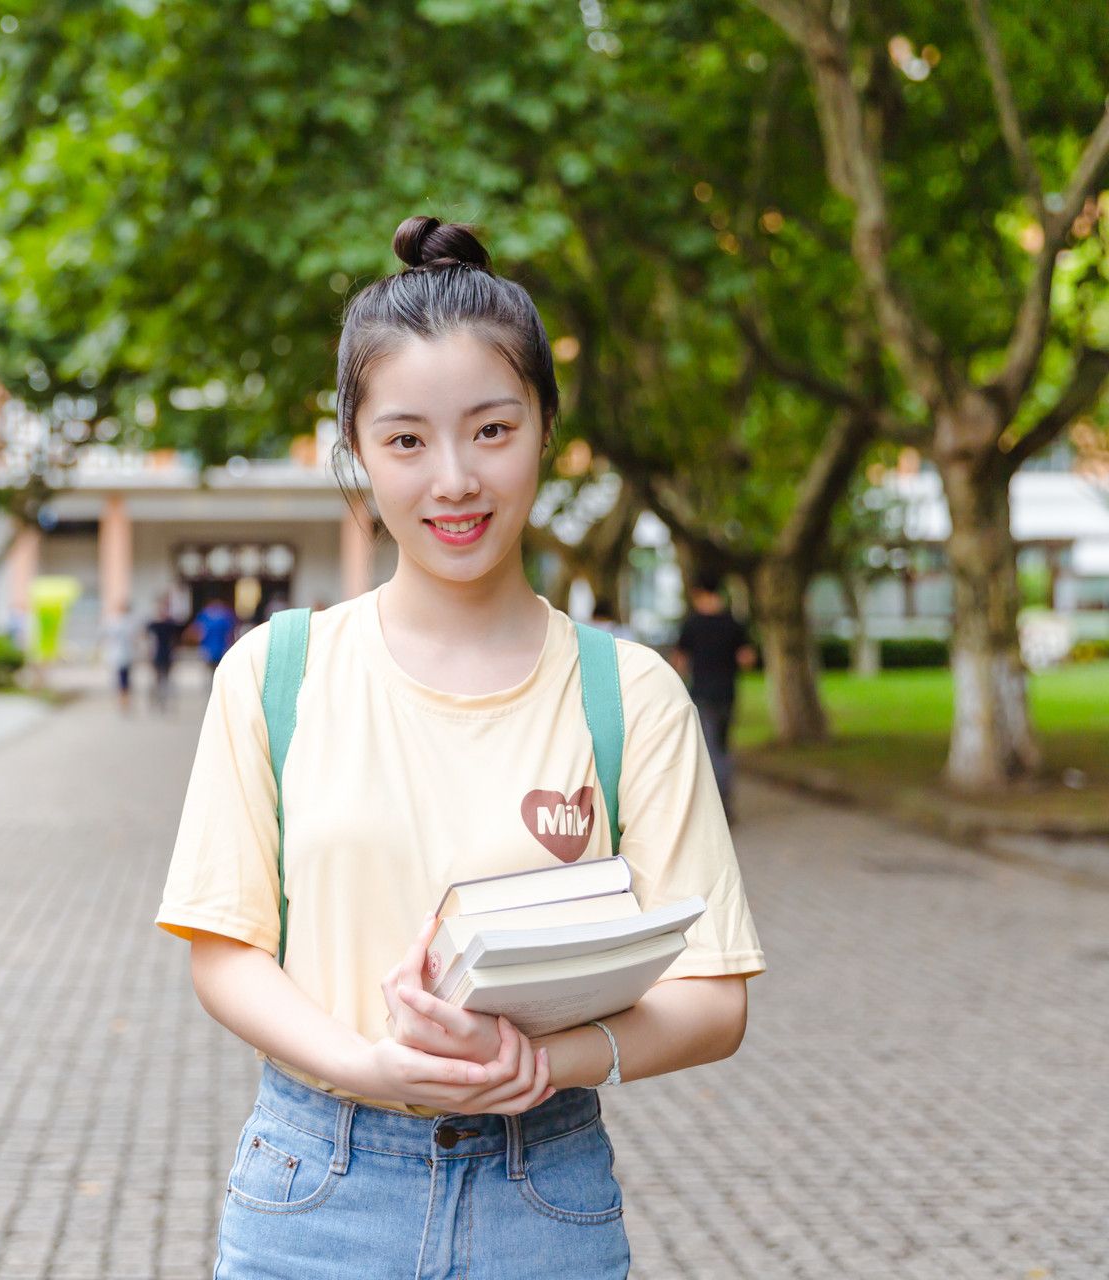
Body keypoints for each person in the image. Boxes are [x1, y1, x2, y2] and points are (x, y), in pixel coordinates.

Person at [155, 218, 765, 1278]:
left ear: (545, 431)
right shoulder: (274, 673)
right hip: (314, 1191)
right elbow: (225, 951)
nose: (453, 479)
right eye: (405, 440)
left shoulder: (633, 695)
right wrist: (370, 1064)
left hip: (545, 1193)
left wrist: (540, 1060)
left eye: (491, 429)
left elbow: (715, 998)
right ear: (356, 449)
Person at [671, 571, 757, 824]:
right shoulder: (733, 623)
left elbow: (679, 662)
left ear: (699, 594)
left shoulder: (692, 624)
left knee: (708, 749)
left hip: (702, 693)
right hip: (727, 693)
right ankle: (725, 803)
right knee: (723, 746)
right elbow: (747, 659)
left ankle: (715, 807)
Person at [101, 601, 141, 713]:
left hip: (122, 655)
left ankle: (123, 700)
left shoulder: (116, 621)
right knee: (124, 679)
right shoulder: (124, 622)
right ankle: (124, 700)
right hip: (123, 655)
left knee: (122, 679)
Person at [146, 598, 184, 714]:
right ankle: (158, 700)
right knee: (158, 679)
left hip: (167, 654)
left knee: (166, 679)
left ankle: (164, 701)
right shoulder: (154, 624)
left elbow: (178, 636)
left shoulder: (169, 624)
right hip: (157, 654)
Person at [194, 597, 238, 684]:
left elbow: (199, 631)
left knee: (212, 670)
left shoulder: (206, 615)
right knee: (219, 670)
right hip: (219, 648)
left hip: (211, 648)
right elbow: (231, 633)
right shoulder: (225, 615)